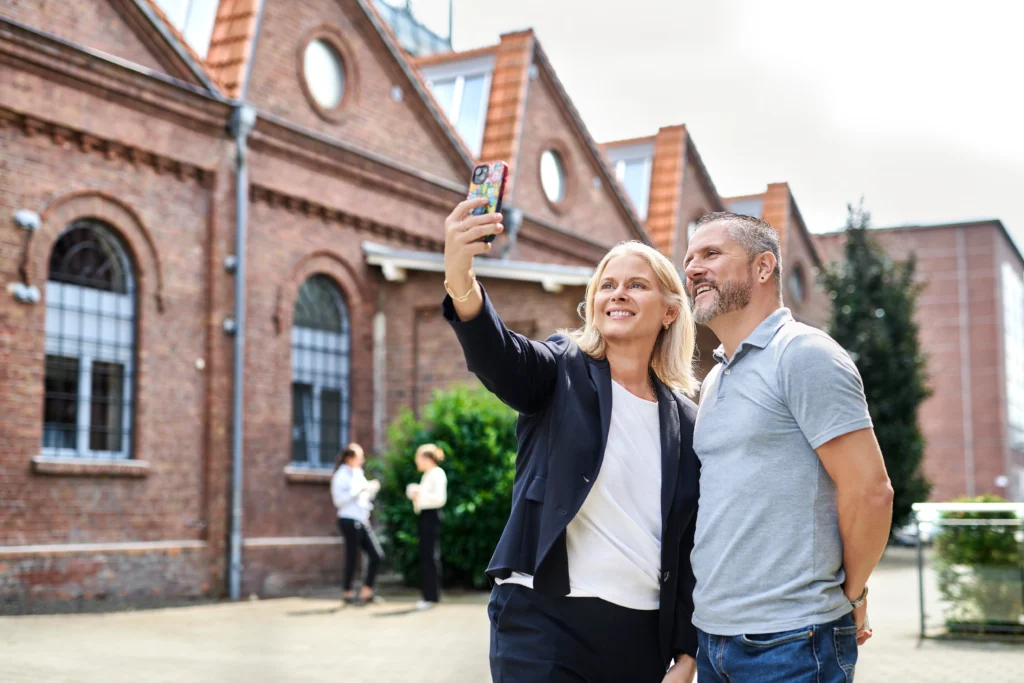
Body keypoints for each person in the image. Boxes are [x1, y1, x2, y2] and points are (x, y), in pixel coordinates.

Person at [441, 197, 700, 683]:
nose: (618, 294)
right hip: (543, 622)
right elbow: (500, 356)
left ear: (669, 312)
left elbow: (691, 545)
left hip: (640, 635)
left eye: (636, 285)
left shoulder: (687, 420)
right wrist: (460, 277)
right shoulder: (560, 368)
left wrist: (687, 654)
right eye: (607, 285)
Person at [682, 211, 894, 682]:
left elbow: (871, 492)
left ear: (763, 268)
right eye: (690, 258)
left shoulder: (802, 354)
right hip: (715, 638)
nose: (693, 268)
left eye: (711, 254)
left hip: (793, 643)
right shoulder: (716, 377)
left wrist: (852, 594)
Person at [330, 443, 384, 605]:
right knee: (352, 557)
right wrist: (360, 490)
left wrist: (372, 488)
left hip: (362, 519)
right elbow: (339, 501)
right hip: (348, 519)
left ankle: (367, 591)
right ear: (349, 458)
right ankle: (348, 592)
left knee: (376, 555)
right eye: (359, 457)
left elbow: (364, 496)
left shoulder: (358, 473)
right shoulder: (341, 476)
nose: (362, 460)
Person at [405, 443, 449, 610]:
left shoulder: (436, 474)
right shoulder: (429, 474)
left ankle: (431, 597)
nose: (417, 461)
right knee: (427, 555)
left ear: (427, 458)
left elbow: (439, 499)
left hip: (431, 515)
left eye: (418, 458)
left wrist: (418, 494)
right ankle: (430, 595)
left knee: (429, 556)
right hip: (426, 516)